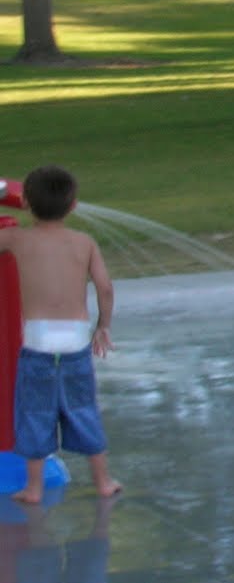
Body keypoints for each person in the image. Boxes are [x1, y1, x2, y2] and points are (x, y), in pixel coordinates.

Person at [0, 166, 118, 504]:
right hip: (76, 344)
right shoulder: (84, 242)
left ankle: (33, 489)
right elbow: (105, 288)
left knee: (34, 414)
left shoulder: (17, 239)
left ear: (24, 202)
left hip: (37, 346)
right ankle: (104, 481)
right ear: (73, 205)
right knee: (83, 410)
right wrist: (103, 326)